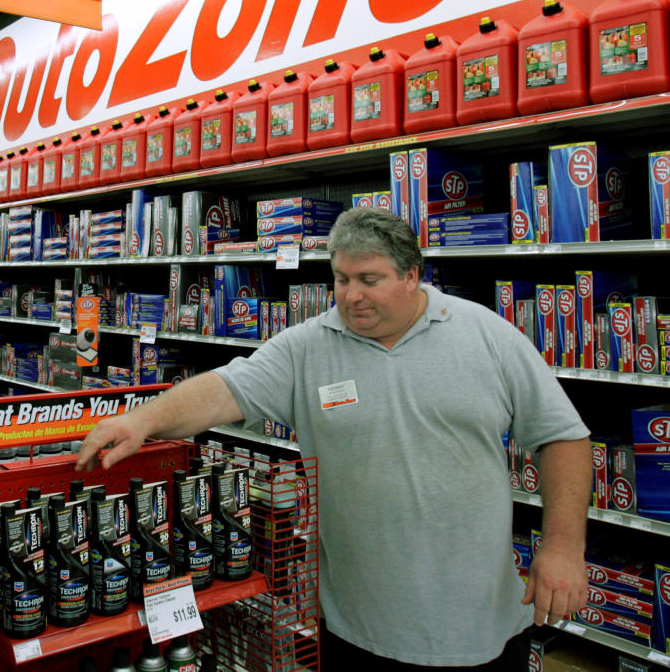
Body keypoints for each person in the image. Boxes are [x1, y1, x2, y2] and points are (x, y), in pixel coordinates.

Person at [76, 207, 591, 670]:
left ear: (412, 276)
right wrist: (142, 419)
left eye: (370, 279)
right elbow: (224, 389)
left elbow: (562, 437)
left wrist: (564, 548)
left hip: (479, 624)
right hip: (356, 626)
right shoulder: (308, 346)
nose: (351, 295)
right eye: (341, 279)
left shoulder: (487, 336)